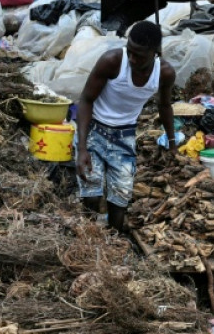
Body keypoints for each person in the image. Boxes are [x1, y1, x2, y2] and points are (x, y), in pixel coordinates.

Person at [76, 21, 178, 232]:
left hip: (124, 136)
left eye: (139, 55)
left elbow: (165, 105)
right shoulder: (112, 61)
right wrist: (82, 148)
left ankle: (113, 243)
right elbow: (85, 100)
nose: (132, 58)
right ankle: (87, 240)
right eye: (130, 51)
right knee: (92, 195)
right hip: (95, 129)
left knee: (120, 199)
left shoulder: (164, 73)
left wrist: (172, 141)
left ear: (155, 52)